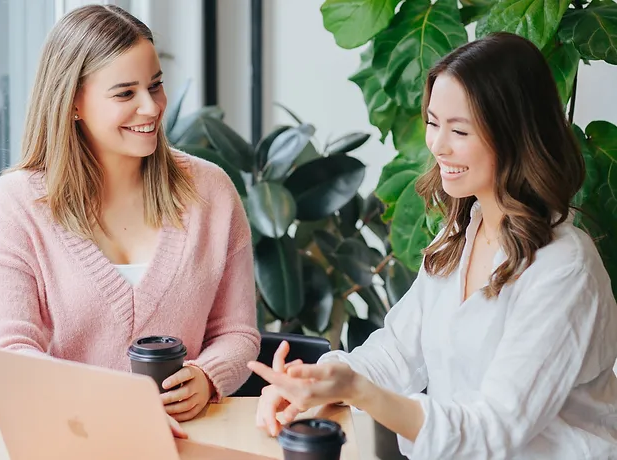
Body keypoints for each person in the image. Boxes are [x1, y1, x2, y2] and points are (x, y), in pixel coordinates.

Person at [248, 32, 617, 459]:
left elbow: (493, 428)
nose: (438, 146)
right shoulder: (460, 234)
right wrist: (320, 380)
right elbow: (397, 351)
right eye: (433, 122)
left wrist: (357, 391)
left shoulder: (564, 269)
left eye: (459, 130)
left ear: (516, 135)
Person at [0, 4, 260, 437]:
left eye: (155, 86)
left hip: (191, 441)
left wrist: (208, 375)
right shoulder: (14, 206)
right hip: (67, 439)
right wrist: (117, 413)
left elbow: (238, 333)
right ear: (72, 103)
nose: (151, 107)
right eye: (125, 93)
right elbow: (8, 355)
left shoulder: (211, 191)